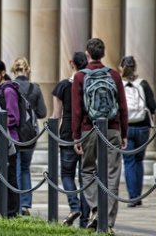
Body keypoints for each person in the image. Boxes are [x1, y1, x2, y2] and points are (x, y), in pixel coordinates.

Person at [72, 38, 128, 234]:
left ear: (88, 53)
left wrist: (76, 136)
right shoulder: (114, 75)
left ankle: (95, 208)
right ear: (103, 54)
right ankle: (108, 221)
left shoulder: (80, 76)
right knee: (112, 174)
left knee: (87, 170)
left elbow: (77, 110)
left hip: (89, 129)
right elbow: (122, 106)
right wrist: (124, 133)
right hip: (112, 128)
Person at [52, 52, 89, 227]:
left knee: (67, 173)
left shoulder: (62, 86)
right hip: (87, 132)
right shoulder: (89, 84)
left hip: (67, 132)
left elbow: (56, 115)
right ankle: (85, 220)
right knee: (86, 176)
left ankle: (75, 207)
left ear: (71, 63)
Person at [119, 55, 156, 207]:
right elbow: (152, 106)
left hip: (125, 127)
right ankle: (138, 195)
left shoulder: (119, 85)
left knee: (128, 162)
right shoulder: (143, 84)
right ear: (135, 68)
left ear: (121, 67)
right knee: (139, 161)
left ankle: (132, 196)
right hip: (142, 127)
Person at [11, 57, 46, 216]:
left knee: (15, 167)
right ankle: (25, 204)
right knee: (25, 168)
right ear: (28, 70)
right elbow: (42, 113)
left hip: (15, 133)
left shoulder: (10, 88)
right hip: (30, 134)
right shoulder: (35, 88)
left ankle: (16, 203)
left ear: (14, 70)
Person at [0, 59, 20, 218]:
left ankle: (12, 212)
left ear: (2, 73)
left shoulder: (8, 90)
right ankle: (5, 210)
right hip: (2, 138)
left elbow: (14, 117)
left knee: (11, 176)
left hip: (10, 138)